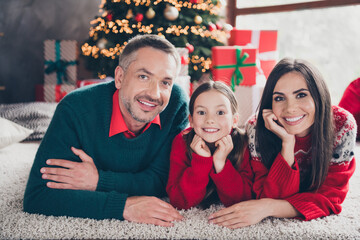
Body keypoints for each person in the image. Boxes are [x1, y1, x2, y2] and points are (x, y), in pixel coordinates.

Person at [23, 34, 189, 227]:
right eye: (143, 77)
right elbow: (38, 195)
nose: (154, 93)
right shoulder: (75, 108)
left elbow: (162, 180)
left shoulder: (176, 104)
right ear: (120, 77)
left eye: (165, 82)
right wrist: (122, 206)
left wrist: (99, 181)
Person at [208, 58, 357, 228]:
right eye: (279, 98)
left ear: (319, 96)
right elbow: (266, 193)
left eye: (301, 95)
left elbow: (331, 197)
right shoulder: (256, 128)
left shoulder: (343, 125)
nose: (290, 108)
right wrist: (287, 143)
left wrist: (268, 207)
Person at [166, 81, 253, 210]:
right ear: (191, 120)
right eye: (201, 112)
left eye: (220, 112)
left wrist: (220, 163)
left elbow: (243, 200)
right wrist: (201, 161)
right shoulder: (181, 141)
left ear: (234, 120)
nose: (210, 120)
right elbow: (179, 202)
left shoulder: (243, 142)